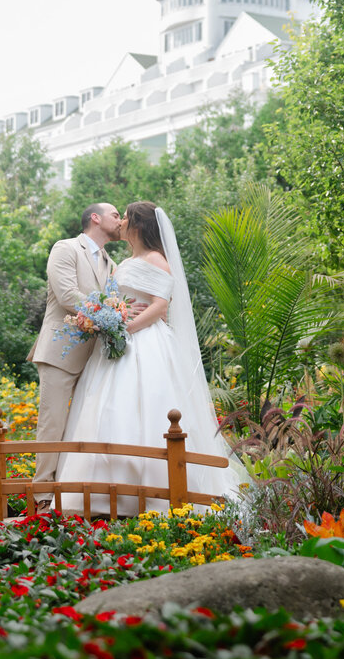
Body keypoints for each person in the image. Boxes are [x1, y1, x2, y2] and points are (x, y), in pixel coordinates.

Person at [54, 201, 249, 515]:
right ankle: (104, 491)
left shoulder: (158, 259)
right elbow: (114, 298)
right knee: (106, 411)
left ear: (139, 224)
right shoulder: (126, 260)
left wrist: (126, 327)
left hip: (146, 341)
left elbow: (160, 305)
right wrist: (110, 320)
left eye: (126, 217)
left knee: (148, 407)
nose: (122, 222)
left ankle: (157, 491)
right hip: (117, 343)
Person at [28, 202, 138, 514]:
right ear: (95, 218)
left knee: (83, 425)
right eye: (115, 215)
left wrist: (124, 312)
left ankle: (72, 493)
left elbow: (121, 301)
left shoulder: (112, 263)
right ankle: (42, 498)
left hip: (96, 360)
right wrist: (111, 313)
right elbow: (66, 295)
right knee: (53, 425)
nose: (120, 220)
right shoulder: (65, 249)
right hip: (60, 353)